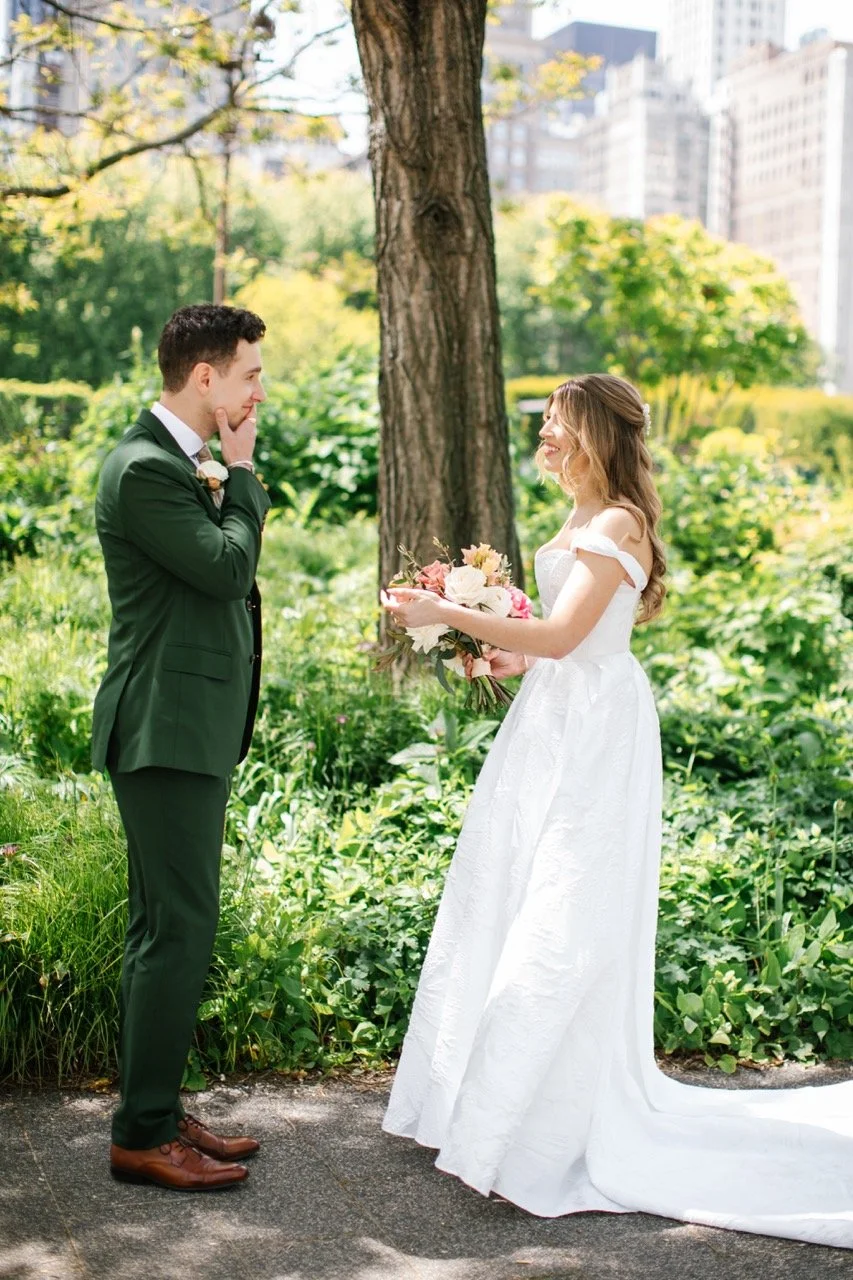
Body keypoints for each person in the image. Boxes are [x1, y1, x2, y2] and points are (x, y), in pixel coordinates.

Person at [381, 373, 853, 1249]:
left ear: (597, 432)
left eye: (557, 429)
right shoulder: (577, 520)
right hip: (553, 720)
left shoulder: (616, 522)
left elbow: (564, 639)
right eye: (544, 431)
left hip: (595, 733)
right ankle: (498, 1107)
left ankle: (546, 1124)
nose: (545, 444)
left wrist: (451, 609)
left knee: (563, 916)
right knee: (514, 895)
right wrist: (495, 656)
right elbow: (556, 645)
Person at [92, 304, 271, 1191]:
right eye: (249, 374)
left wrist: (225, 473)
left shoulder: (174, 462)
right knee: (177, 930)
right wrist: (241, 475)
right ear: (206, 378)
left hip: (187, 728)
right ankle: (139, 1135)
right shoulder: (142, 470)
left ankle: (157, 1110)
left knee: (163, 926)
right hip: (162, 728)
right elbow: (227, 568)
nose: (256, 391)